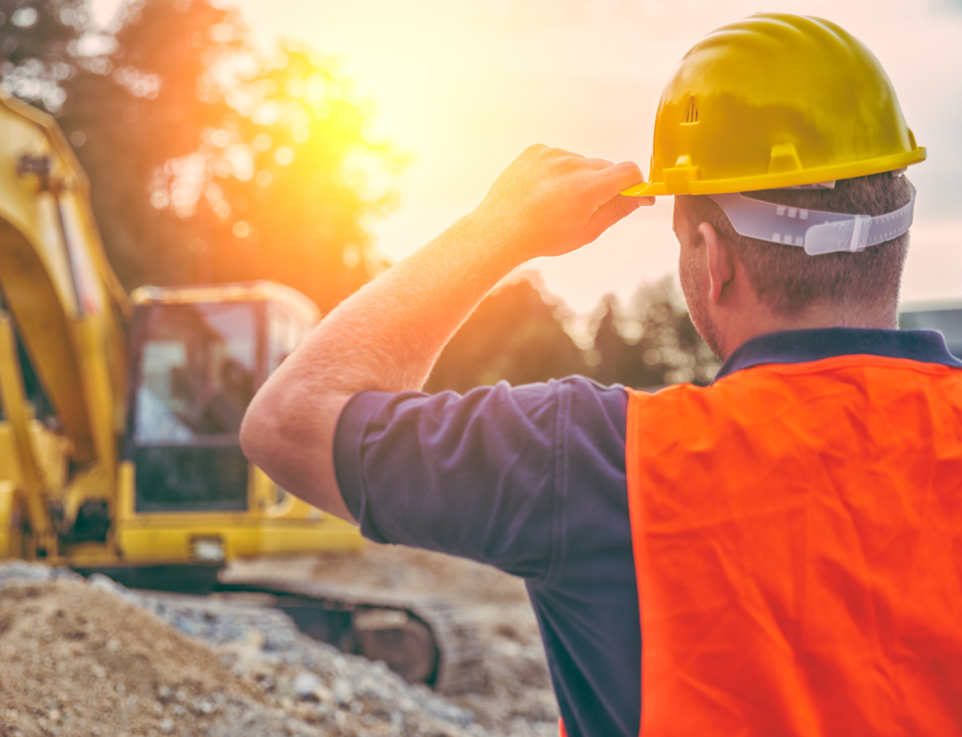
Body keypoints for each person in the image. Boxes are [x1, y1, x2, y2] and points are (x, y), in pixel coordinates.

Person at [241, 13, 962, 737]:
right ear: (896, 227)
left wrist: (500, 230)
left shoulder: (601, 459)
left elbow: (289, 421)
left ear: (713, 261)